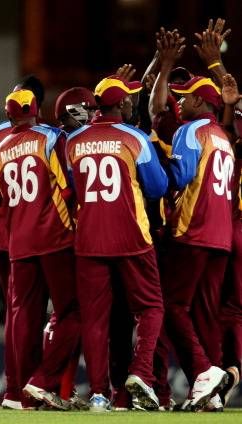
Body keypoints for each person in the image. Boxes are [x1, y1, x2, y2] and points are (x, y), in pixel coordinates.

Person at [66, 75, 167, 412]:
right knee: (151, 308)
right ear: (122, 104)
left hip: (89, 238)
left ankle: (98, 394)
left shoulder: (73, 141)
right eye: (129, 100)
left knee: (95, 320)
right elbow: (157, 187)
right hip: (132, 237)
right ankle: (140, 374)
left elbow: (70, 189)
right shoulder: (134, 137)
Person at [0, 89, 80, 410]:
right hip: (55, 237)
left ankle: (19, 395)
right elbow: (67, 187)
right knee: (72, 311)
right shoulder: (51, 137)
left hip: (19, 243)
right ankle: (43, 380)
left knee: (24, 317)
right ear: (37, 111)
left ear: (8, 114)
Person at [161, 75, 232, 411]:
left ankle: (203, 373)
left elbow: (181, 175)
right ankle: (211, 395)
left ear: (201, 102)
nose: (179, 101)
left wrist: (159, 158)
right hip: (221, 236)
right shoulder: (223, 138)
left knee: (171, 306)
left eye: (185, 97)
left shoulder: (190, 130)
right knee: (205, 315)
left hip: (193, 230)